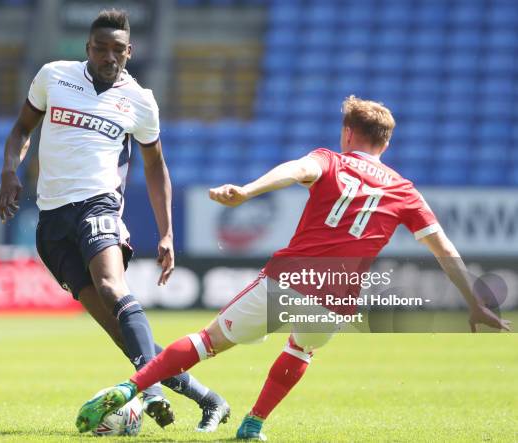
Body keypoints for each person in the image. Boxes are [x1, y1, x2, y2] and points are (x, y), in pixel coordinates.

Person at [75, 96, 511, 439]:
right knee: (301, 350)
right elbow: (444, 248)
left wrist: (246, 192)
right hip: (338, 296)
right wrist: (473, 301)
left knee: (207, 342)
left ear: (347, 133)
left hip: (291, 279)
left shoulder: (331, 159)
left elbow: (296, 169)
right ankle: (254, 424)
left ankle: (130, 388)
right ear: (387, 144)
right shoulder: (405, 191)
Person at [0, 9, 229, 433]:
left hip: (98, 207)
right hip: (52, 222)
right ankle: (208, 398)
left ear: (129, 52)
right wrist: (10, 171)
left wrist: (167, 232)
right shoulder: (54, 76)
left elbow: (156, 167)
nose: (108, 56)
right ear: (87, 48)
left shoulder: (140, 101)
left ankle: (151, 391)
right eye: (100, 48)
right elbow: (20, 131)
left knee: (111, 286)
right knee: (116, 328)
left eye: (117, 50)